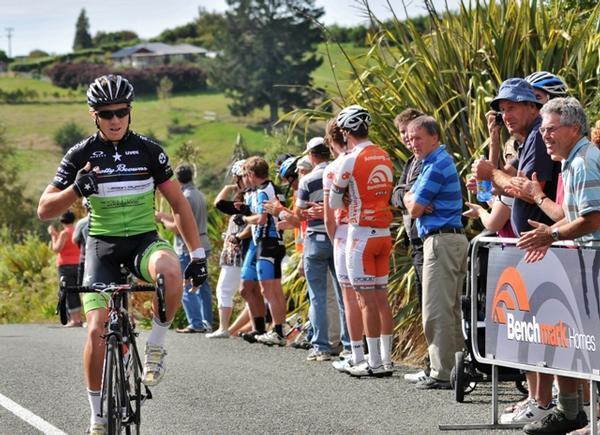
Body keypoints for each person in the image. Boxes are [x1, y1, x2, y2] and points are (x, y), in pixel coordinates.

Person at [37, 74, 207, 435]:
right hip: (102, 247)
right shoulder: (80, 154)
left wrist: (198, 254)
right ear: (93, 115)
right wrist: (74, 190)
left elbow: (178, 203)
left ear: (130, 112)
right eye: (106, 113)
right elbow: (44, 209)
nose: (115, 120)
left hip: (143, 241)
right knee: (97, 330)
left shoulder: (149, 150)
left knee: (171, 270)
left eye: (121, 112)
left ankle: (157, 345)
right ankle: (97, 415)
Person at [516, 97, 599, 435]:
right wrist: (538, 198)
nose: (544, 135)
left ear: (574, 128)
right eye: (543, 129)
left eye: (551, 129)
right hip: (581, 264)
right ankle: (571, 414)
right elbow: (571, 216)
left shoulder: (584, 162)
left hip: (593, 264)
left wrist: (550, 235)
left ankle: (587, 419)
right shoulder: (574, 160)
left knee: (591, 342)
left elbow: (593, 218)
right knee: (567, 337)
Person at [403, 115, 469, 389]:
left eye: (418, 137)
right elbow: (412, 199)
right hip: (446, 240)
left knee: (437, 310)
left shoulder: (435, 164)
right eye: (409, 137)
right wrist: (412, 198)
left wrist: (412, 198)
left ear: (434, 136)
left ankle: (442, 373)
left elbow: (414, 207)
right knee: (450, 310)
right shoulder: (431, 162)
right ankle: (456, 371)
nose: (412, 143)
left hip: (441, 241)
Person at [330, 105, 395, 377]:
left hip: (360, 234)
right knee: (381, 299)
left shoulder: (349, 159)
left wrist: (346, 197)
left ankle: (373, 363)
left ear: (345, 132)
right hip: (384, 233)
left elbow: (334, 202)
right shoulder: (384, 154)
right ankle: (387, 360)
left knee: (364, 300)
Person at [295, 137, 349, 361]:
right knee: (342, 294)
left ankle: (321, 346)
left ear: (311, 155)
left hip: (315, 239)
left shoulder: (307, 180)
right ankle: (348, 344)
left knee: (317, 295)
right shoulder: (339, 171)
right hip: (337, 235)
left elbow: (299, 213)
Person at [390, 108, 431, 383]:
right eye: (403, 134)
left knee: (431, 302)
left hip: (425, 237)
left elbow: (416, 203)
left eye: (409, 133)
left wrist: (404, 193)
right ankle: (430, 361)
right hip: (414, 239)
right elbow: (398, 194)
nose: (406, 139)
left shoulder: (428, 162)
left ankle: (434, 364)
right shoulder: (411, 162)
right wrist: (404, 193)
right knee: (423, 299)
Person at [156, 164, 213, 334]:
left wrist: (163, 221)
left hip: (186, 246)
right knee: (203, 284)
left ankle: (195, 323)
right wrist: (164, 216)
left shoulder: (184, 197)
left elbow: (177, 227)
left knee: (186, 284)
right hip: (203, 241)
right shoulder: (198, 194)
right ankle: (206, 322)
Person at [238, 157, 287, 346]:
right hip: (270, 243)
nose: (245, 179)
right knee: (272, 289)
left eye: (245, 175)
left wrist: (244, 219)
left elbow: (262, 219)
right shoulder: (266, 188)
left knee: (270, 289)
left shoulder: (263, 190)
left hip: (268, 242)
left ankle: (278, 331)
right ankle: (278, 330)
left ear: (251, 174)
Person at [206, 159, 251, 338]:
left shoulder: (246, 201)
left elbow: (218, 203)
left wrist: (234, 186)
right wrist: (235, 186)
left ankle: (224, 328)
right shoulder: (247, 198)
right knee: (245, 292)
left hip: (237, 252)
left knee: (224, 290)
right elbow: (219, 202)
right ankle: (229, 328)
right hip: (238, 251)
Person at [48, 210, 82, 327]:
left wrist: (53, 236)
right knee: (81, 291)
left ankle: (75, 320)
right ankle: (81, 318)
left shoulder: (64, 233)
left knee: (69, 291)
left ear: (62, 221)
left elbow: (57, 248)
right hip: (79, 264)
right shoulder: (77, 231)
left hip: (65, 266)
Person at [73, 200, 90, 287]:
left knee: (83, 288)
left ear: (85, 208)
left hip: (85, 258)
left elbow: (75, 239)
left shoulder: (82, 223)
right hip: (107, 259)